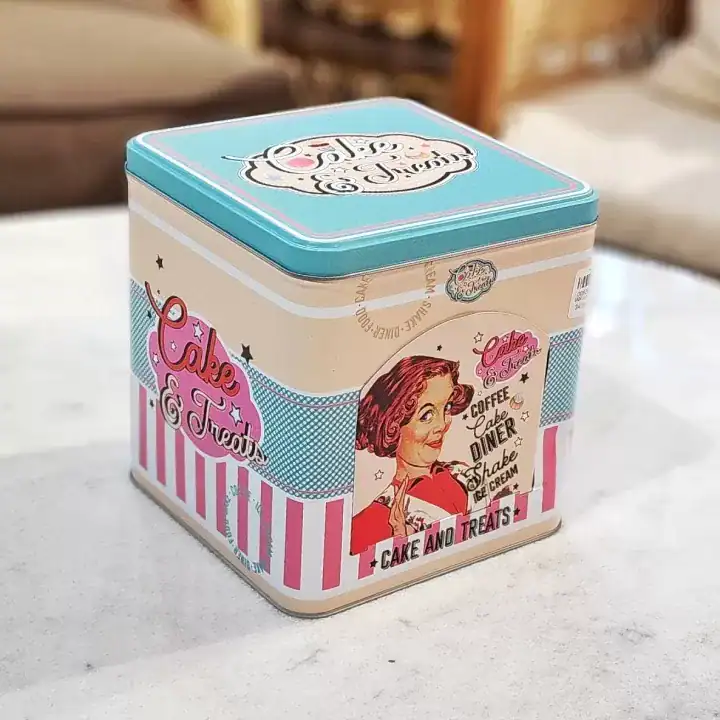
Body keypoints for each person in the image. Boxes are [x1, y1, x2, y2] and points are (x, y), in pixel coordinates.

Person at [350, 355, 474, 555]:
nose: (442, 425)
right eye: (426, 415)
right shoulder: (374, 518)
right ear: (393, 425)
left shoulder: (461, 472)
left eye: (447, 407)